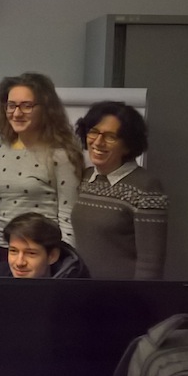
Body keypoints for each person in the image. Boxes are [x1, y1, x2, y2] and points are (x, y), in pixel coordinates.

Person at [72, 101, 168, 279]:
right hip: (84, 292)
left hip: (121, 297)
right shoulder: (85, 177)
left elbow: (150, 263)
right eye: (93, 132)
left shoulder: (147, 187)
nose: (98, 142)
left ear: (128, 144)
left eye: (110, 137)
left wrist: (138, 302)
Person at [0, 73, 83, 256]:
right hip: (4, 250)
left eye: (27, 106)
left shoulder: (61, 153)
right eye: (11, 105)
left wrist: (63, 262)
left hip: (40, 253)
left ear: (46, 109)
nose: (17, 113)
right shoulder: (1, 145)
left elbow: (68, 216)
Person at [0, 212, 89, 278]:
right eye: (13, 251)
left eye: (31, 253)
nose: (19, 262)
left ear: (52, 256)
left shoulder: (74, 289)